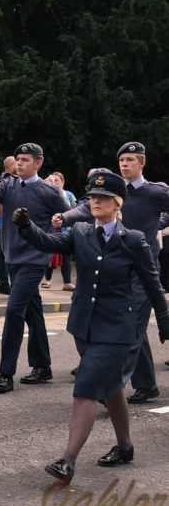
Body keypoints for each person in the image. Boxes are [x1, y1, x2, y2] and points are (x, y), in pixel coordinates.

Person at [12, 171, 169, 483]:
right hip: (86, 327)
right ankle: (125, 447)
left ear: (117, 204)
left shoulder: (134, 240)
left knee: (85, 387)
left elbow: (153, 284)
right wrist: (27, 228)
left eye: (103, 198)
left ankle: (67, 461)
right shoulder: (81, 231)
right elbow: (49, 241)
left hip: (118, 329)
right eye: (93, 197)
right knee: (111, 389)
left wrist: (164, 321)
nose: (95, 202)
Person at [54, 141, 169, 403]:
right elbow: (85, 208)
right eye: (122, 160)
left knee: (131, 330)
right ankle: (147, 384)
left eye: (131, 159)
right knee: (134, 329)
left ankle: (109, 387)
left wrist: (158, 223)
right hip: (115, 272)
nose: (125, 164)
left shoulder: (157, 192)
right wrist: (65, 217)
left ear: (142, 163)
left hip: (142, 271)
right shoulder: (113, 192)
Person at [0, 143, 71, 393]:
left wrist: (62, 222)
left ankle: (6, 373)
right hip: (12, 257)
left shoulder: (50, 190)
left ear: (38, 163)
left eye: (25, 159)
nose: (19, 163)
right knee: (32, 312)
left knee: (14, 310)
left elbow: (71, 216)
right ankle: (42, 366)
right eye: (17, 159)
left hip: (36, 259)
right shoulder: (7, 183)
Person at [41, 172, 76, 291]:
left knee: (67, 257)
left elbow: (74, 211)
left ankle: (67, 283)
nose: (55, 182)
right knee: (50, 255)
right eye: (53, 180)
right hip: (51, 230)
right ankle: (47, 280)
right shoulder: (45, 193)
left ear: (63, 182)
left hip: (66, 230)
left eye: (57, 180)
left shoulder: (69, 195)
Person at [0, 156, 17, 295]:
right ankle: (3, 284)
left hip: (8, 224)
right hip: (4, 225)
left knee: (7, 254)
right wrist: (10, 220)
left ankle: (9, 283)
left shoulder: (14, 181)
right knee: (4, 255)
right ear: (10, 166)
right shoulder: (3, 182)